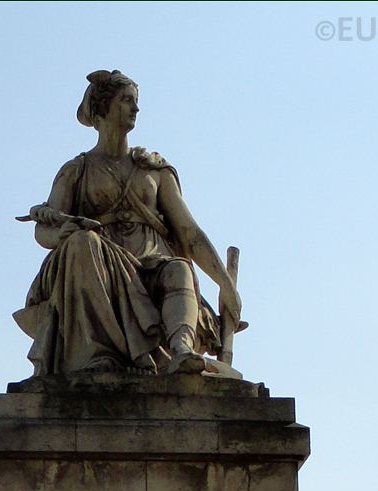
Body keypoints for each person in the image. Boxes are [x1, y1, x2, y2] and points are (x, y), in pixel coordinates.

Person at [14, 70, 243, 376]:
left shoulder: (154, 169)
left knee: (178, 267)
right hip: (98, 268)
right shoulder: (77, 170)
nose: (135, 109)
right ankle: (99, 354)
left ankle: (182, 352)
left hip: (152, 263)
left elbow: (189, 232)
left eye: (135, 102)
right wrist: (62, 233)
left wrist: (225, 285)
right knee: (83, 242)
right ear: (102, 108)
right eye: (126, 101)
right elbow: (44, 229)